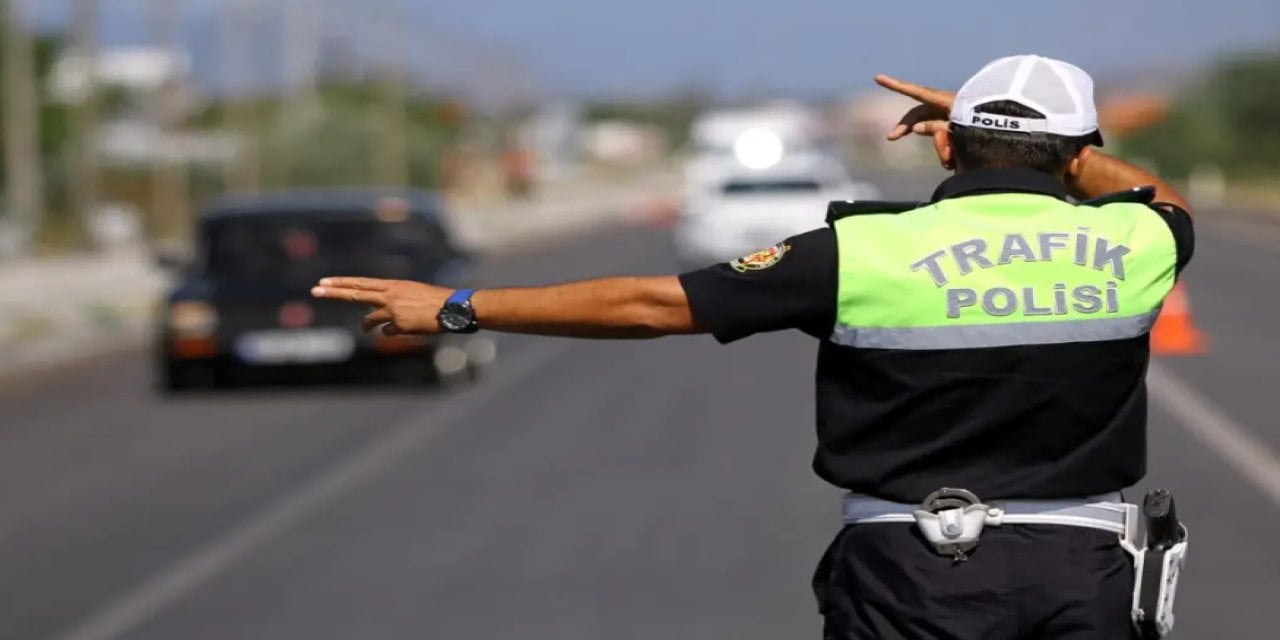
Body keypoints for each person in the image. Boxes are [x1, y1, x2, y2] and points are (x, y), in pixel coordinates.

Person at [312, 55, 1193, 639]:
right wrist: (1058, 153)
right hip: (1084, 574)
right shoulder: (1141, 242)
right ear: (1076, 154)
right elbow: (1157, 195)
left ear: (949, 147)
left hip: (911, 573)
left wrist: (460, 308)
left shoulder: (855, 251)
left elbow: (652, 304)